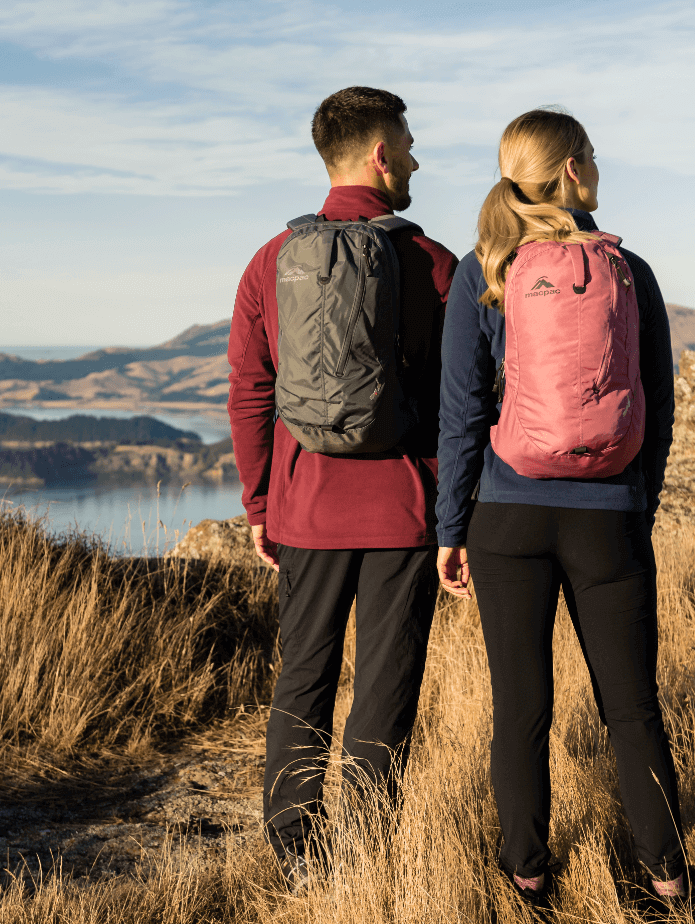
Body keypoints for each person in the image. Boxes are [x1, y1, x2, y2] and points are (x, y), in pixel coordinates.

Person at [434, 109, 686, 910]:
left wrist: (451, 527)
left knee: (520, 709)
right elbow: (659, 403)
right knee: (632, 708)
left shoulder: (489, 271)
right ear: (574, 171)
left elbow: (462, 412)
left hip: (506, 514)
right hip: (607, 513)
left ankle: (528, 873)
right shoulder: (628, 271)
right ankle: (667, 876)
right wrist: (634, 502)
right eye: (594, 157)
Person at [227, 86, 457, 890]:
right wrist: (452, 510)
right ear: (378, 155)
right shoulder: (428, 262)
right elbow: (460, 401)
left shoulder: (272, 261)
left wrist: (260, 503)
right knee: (385, 683)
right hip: (402, 508)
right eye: (408, 143)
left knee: (304, 677)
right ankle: (362, 851)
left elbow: (250, 391)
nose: (416, 158)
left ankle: (294, 852)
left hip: (304, 507)